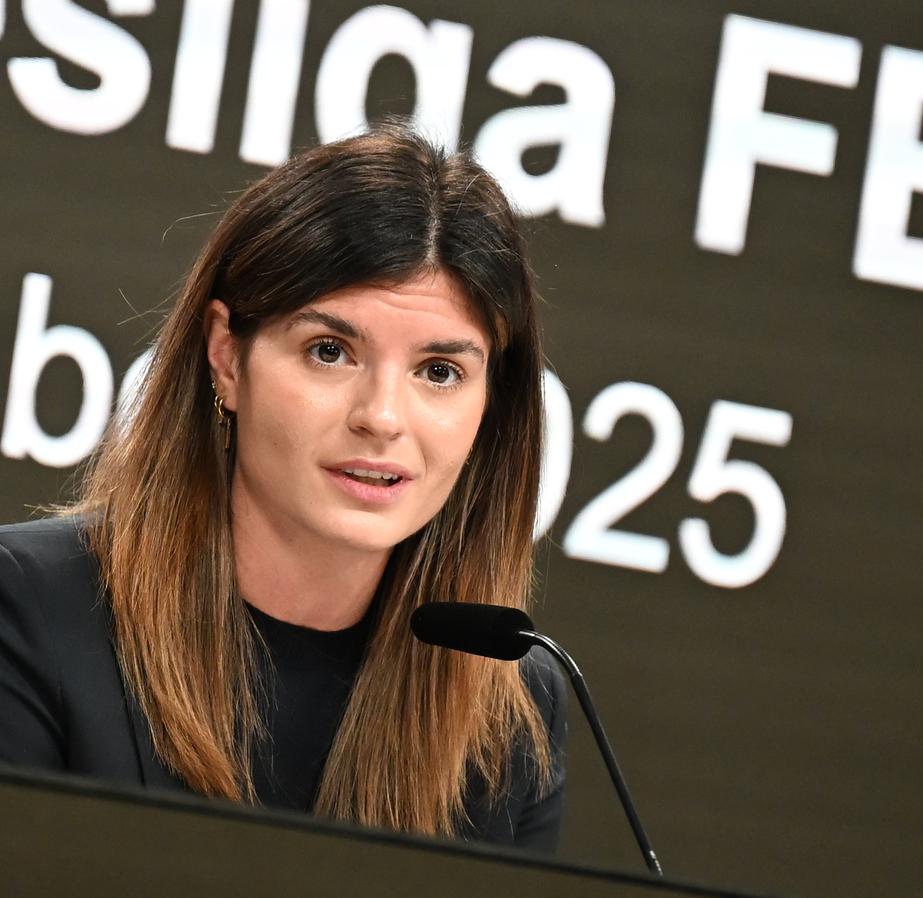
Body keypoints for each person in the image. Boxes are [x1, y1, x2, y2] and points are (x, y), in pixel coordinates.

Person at [0, 124, 566, 852]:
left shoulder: (514, 702)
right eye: (329, 352)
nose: (382, 419)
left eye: (439, 372)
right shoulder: (30, 611)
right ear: (227, 358)